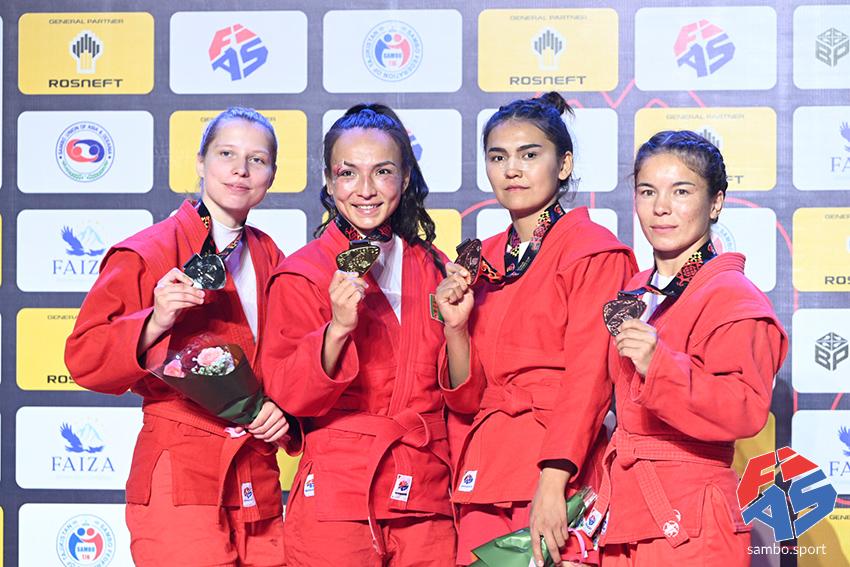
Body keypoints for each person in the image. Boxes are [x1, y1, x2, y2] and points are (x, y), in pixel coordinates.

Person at [65, 107, 294, 567]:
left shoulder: (269, 254)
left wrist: (282, 412)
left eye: (257, 159)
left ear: (271, 175)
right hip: (180, 465)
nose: (240, 169)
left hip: (254, 469)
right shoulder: (147, 250)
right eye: (226, 154)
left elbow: (287, 356)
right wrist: (155, 319)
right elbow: (85, 357)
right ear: (200, 162)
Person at [434, 92, 637, 566]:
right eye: (498, 157)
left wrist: (553, 478)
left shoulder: (593, 251)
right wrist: (456, 330)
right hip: (485, 472)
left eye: (529, 155)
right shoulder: (478, 260)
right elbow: (466, 399)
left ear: (563, 165)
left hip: (560, 470)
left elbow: (589, 379)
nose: (512, 170)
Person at [259, 104, 456, 566]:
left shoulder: (437, 268)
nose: (365, 189)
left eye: (382, 171)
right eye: (348, 173)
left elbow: (462, 392)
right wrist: (338, 330)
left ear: (404, 178)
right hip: (338, 494)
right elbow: (288, 396)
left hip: (425, 494)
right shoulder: (303, 273)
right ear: (329, 182)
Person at [587, 130, 788, 566]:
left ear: (716, 203)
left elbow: (745, 410)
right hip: (623, 511)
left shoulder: (735, 298)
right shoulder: (634, 291)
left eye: (681, 191)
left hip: (692, 519)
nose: (660, 207)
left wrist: (659, 364)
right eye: (647, 191)